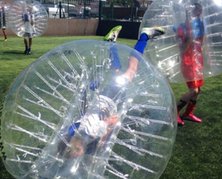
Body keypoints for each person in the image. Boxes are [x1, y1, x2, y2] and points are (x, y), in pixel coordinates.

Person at [58, 25, 165, 158]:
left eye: (77, 153)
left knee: (132, 70)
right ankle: (111, 44)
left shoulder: (93, 132)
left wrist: (105, 136)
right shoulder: (73, 130)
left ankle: (144, 36)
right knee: (116, 71)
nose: (80, 156)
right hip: (101, 99)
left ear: (78, 147)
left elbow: (115, 120)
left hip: (109, 99)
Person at [173, 3, 204, 126]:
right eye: (197, 9)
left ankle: (188, 113)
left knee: (198, 90)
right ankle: (174, 113)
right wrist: (188, 41)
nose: (200, 11)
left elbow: (200, 43)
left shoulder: (199, 24)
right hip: (189, 61)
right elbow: (181, 45)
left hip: (196, 60)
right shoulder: (183, 27)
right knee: (193, 90)